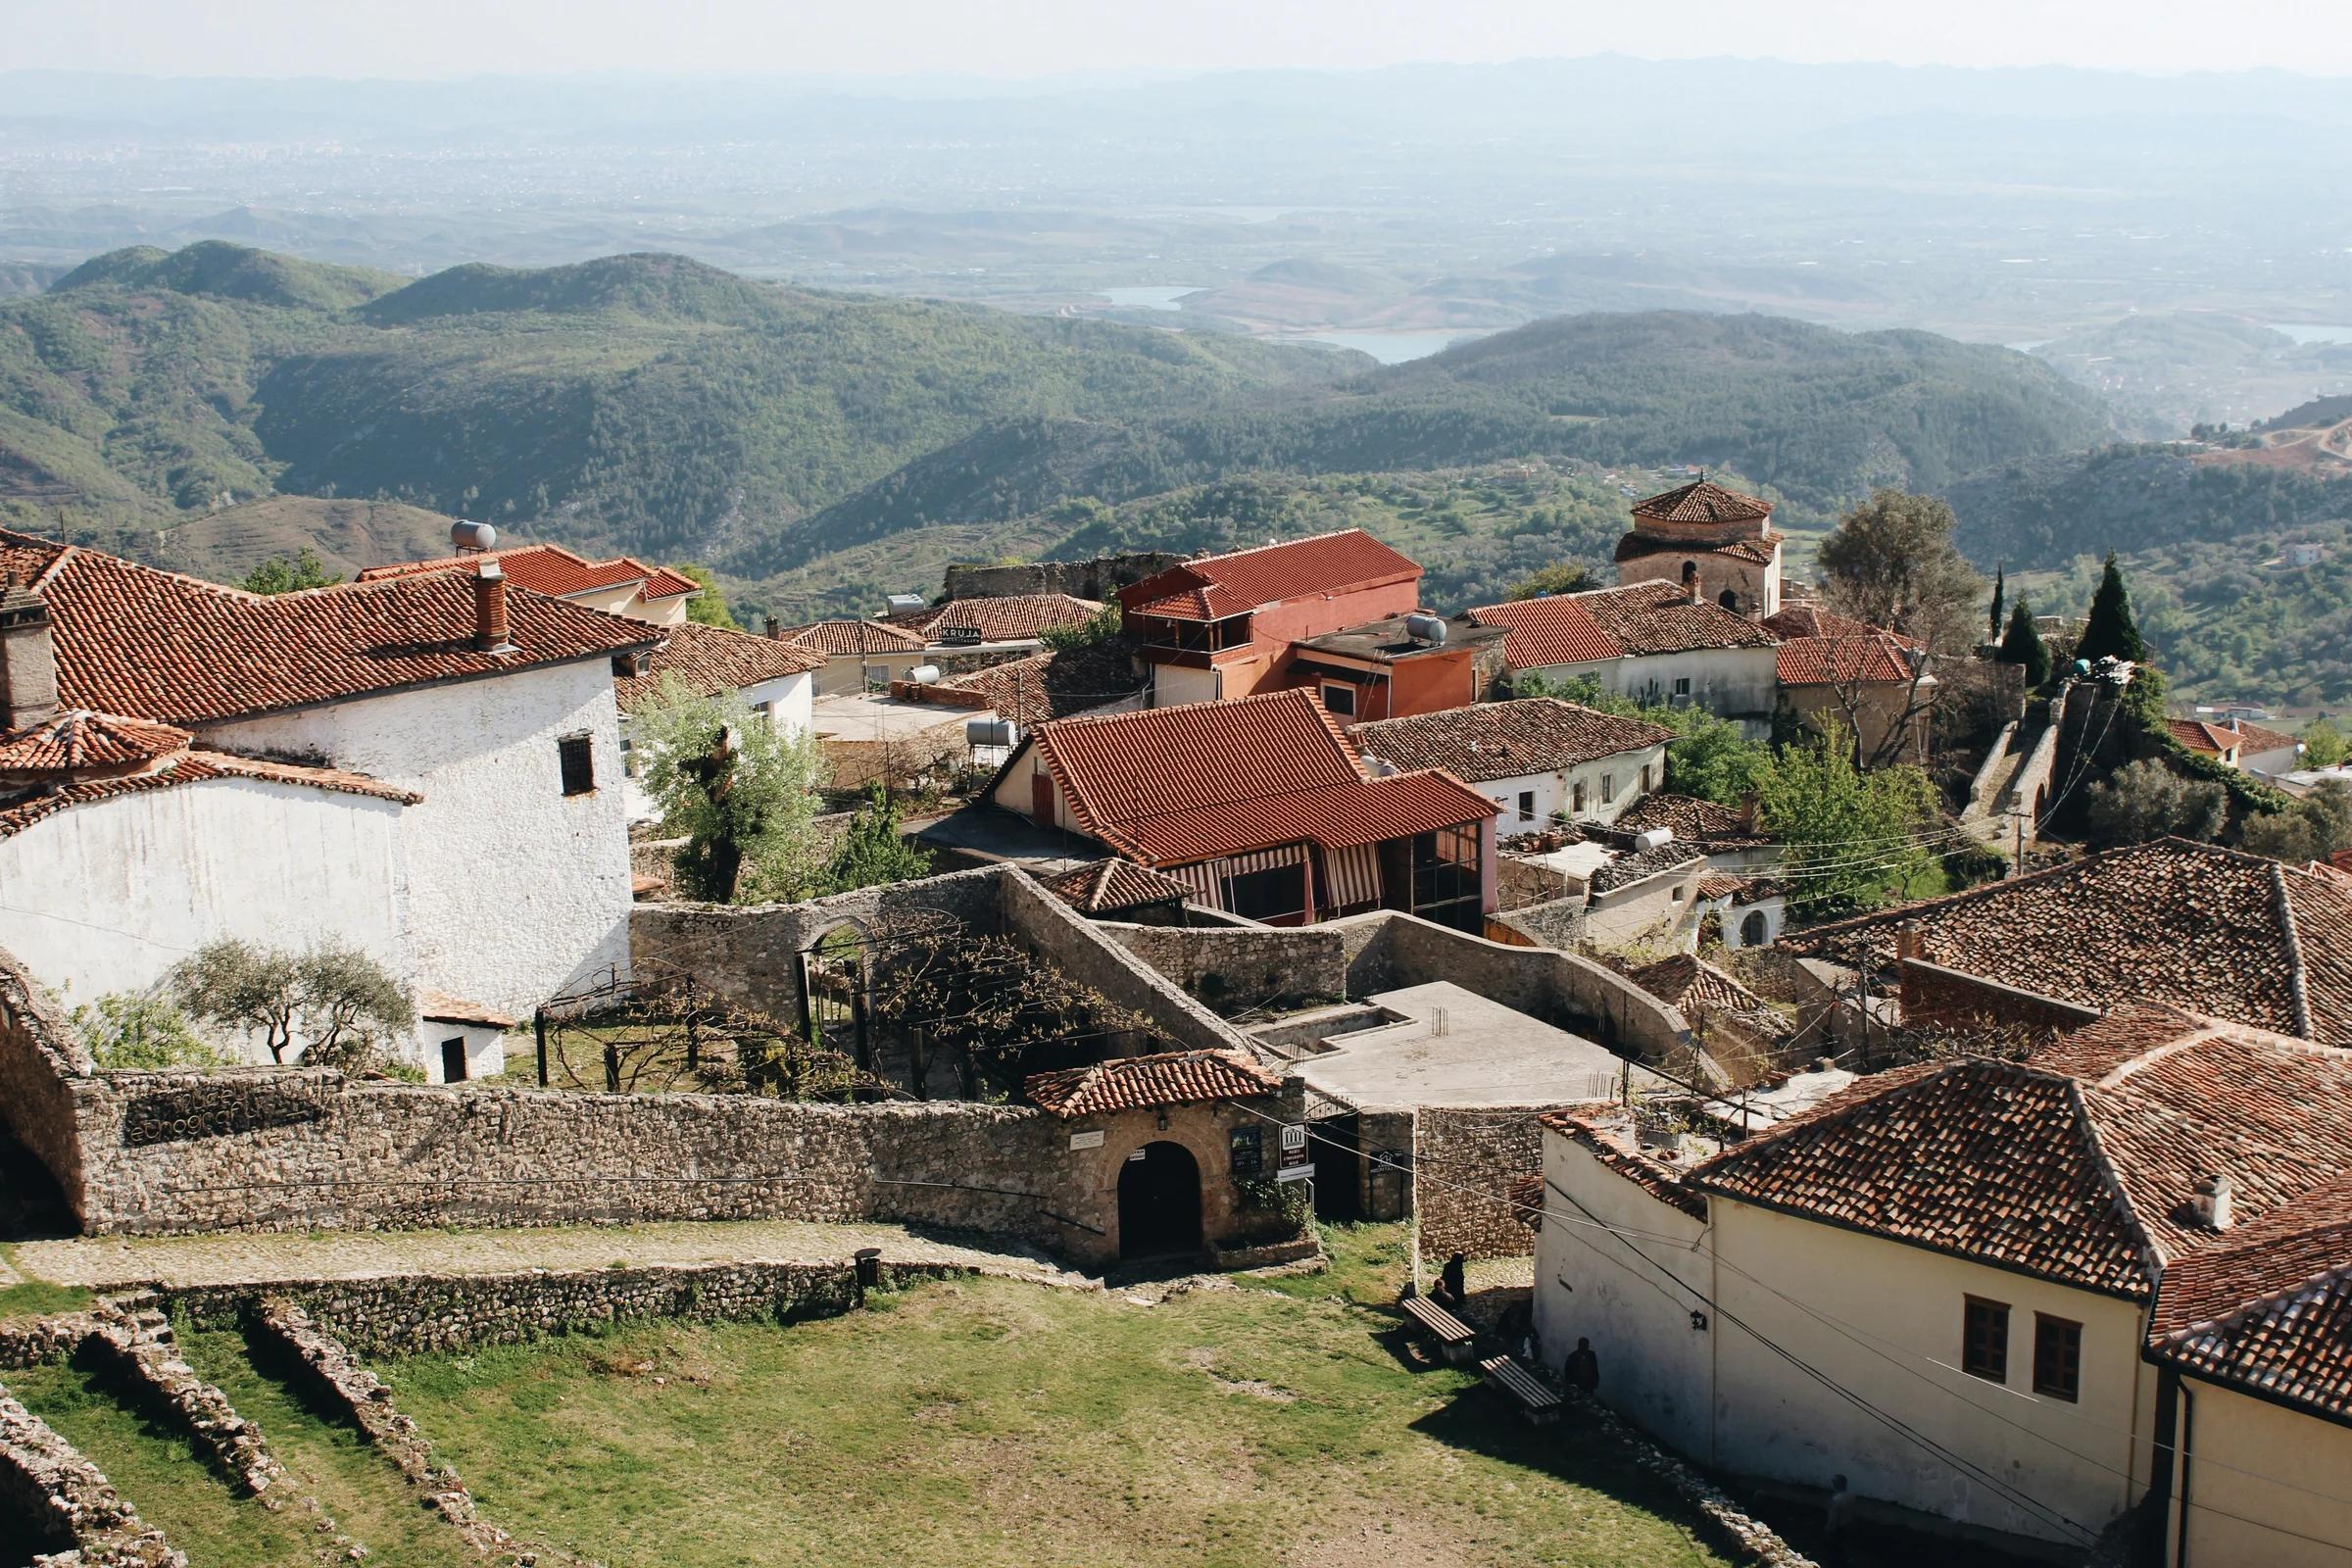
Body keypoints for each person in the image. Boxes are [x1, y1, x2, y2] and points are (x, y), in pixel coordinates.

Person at [1822, 1473, 1854, 1566]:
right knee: (1843, 1547)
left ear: (1835, 1484)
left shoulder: (1836, 1500)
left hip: (1838, 1528)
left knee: (1834, 1552)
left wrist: (1828, 1530)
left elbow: (1833, 1519)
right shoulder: (1852, 1495)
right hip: (1848, 1524)